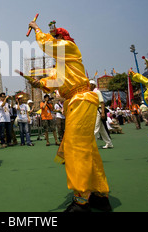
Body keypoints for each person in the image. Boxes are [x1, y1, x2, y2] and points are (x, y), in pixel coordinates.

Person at [28, 19, 111, 212]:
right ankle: (99, 194)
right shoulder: (62, 64)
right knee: (87, 148)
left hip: (81, 99)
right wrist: (39, 83)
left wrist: (37, 30)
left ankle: (82, 199)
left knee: (76, 147)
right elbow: (56, 81)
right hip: (74, 102)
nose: (54, 40)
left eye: (55, 37)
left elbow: (48, 45)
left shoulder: (70, 47)